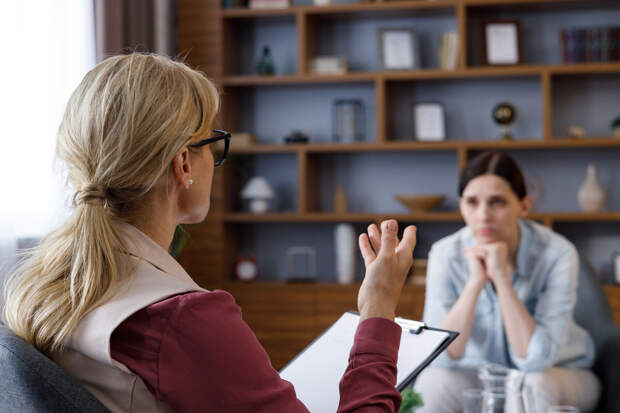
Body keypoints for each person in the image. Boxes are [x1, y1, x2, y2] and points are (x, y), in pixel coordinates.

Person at [2, 53, 417, 412]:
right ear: (183, 164)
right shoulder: (179, 321)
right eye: (212, 143)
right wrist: (378, 308)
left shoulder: (41, 289)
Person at [414, 151, 600, 413]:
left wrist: (501, 279)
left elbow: (535, 360)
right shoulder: (445, 253)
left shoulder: (558, 253)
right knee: (433, 382)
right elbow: (440, 357)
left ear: (524, 206)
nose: (483, 215)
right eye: (472, 202)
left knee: (533, 385)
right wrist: (475, 283)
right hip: (480, 375)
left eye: (497, 202)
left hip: (559, 373)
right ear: (461, 206)